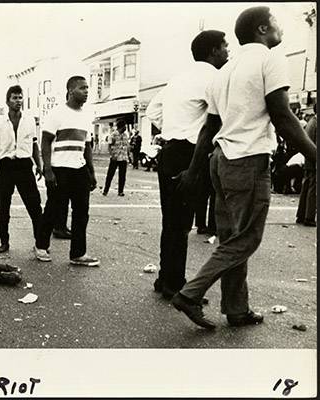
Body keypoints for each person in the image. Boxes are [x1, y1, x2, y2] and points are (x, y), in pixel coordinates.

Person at [172, 6, 317, 329]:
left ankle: (237, 309)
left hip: (220, 161)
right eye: (277, 23)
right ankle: (190, 294)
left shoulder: (225, 69)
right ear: (262, 29)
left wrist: (196, 170)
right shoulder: (270, 59)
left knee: (231, 239)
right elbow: (281, 115)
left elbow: (209, 127)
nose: (281, 28)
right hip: (248, 159)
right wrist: (315, 155)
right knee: (246, 239)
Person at [145, 30, 229, 300]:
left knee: (170, 221)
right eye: (225, 46)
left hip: (170, 150)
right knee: (181, 224)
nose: (228, 51)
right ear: (213, 51)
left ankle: (165, 278)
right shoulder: (215, 79)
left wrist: (173, 126)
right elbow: (223, 116)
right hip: (191, 154)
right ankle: (175, 284)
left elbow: (152, 111)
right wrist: (193, 128)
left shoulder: (178, 78)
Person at [35, 76, 99, 266]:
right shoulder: (57, 114)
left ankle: (78, 254)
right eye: (82, 88)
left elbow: (86, 146)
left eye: (87, 88)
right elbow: (45, 141)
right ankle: (41, 245)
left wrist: (91, 172)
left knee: (82, 212)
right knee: (53, 210)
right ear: (71, 91)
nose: (86, 91)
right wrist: (47, 169)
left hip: (79, 169)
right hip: (60, 168)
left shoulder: (86, 116)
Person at [0, 85, 43, 253]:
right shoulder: (0, 123)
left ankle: (40, 243)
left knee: (35, 206)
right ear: (7, 101)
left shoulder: (29, 121)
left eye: (20, 97)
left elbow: (34, 144)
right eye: (14, 98)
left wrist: (39, 165)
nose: (18, 101)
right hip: (6, 167)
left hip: (25, 167)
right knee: (3, 208)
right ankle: (4, 242)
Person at [296, 103, 316, 227]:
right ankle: (309, 217)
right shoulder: (315, 123)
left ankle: (302, 214)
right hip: (313, 160)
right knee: (313, 189)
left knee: (307, 186)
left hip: (309, 160)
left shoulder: (311, 123)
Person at [102, 118, 130, 196]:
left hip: (124, 158)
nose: (125, 128)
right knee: (110, 175)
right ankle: (105, 190)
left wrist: (129, 155)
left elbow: (127, 146)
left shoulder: (125, 135)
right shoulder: (113, 135)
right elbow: (109, 146)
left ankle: (120, 191)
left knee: (122, 176)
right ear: (121, 127)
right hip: (115, 157)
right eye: (124, 126)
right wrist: (111, 155)